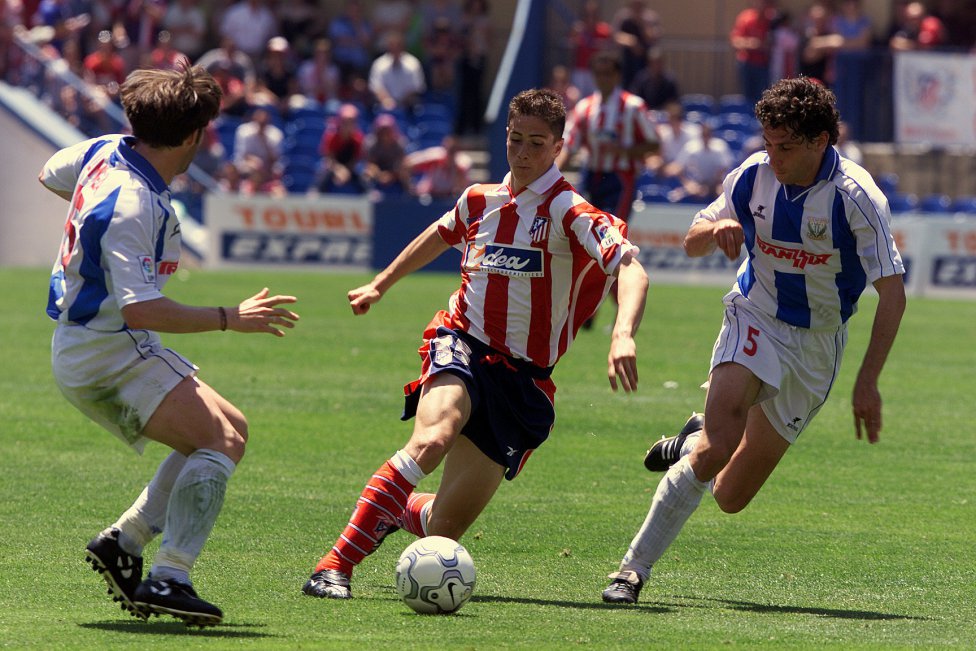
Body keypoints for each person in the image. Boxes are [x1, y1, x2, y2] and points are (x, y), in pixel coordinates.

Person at [302, 88, 649, 600]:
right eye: (515, 140)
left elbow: (631, 267)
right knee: (432, 438)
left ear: (558, 147)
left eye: (537, 143)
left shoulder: (570, 212)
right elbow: (439, 234)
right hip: (461, 343)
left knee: (443, 527)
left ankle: (397, 507)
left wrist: (623, 333)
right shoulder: (479, 198)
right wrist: (381, 283)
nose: (524, 153)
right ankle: (333, 567)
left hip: (522, 382)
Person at [601, 77, 906, 605]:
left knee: (731, 495)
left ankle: (693, 438)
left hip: (817, 344)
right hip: (755, 315)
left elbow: (893, 296)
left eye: (785, 147)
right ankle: (632, 570)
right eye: (768, 144)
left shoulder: (857, 196)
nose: (773, 156)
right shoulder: (751, 178)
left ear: (820, 141)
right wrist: (714, 232)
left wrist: (868, 382)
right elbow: (693, 240)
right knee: (721, 446)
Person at [38, 64, 300, 626]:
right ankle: (169, 577)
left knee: (231, 430)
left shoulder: (108, 149)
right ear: (190, 136)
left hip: (100, 341)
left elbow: (49, 173)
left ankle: (124, 542)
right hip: (108, 350)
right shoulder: (132, 203)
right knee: (220, 440)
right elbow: (141, 307)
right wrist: (231, 317)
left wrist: (88, 213)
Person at [556, 49, 658, 223]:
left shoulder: (633, 106)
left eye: (608, 74)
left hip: (620, 178)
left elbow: (654, 144)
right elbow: (569, 145)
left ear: (617, 75)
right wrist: (552, 173)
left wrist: (624, 151)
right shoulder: (584, 107)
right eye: (599, 74)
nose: (603, 79)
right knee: (584, 228)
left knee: (612, 229)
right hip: (590, 176)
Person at [729, 0, 778, 106]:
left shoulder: (771, 20)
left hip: (764, 65)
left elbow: (772, 42)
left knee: (762, 97)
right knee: (747, 97)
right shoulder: (745, 18)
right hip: (746, 63)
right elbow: (735, 41)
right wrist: (753, 44)